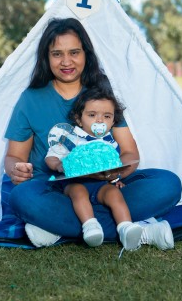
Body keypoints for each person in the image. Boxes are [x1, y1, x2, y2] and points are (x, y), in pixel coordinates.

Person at [4, 17, 180, 250]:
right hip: (55, 190)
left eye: (74, 52)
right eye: (57, 54)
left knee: (168, 184)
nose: (66, 61)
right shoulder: (31, 99)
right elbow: (14, 157)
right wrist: (16, 170)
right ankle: (135, 229)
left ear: (86, 54)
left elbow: (129, 152)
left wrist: (113, 173)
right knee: (21, 197)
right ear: (46, 58)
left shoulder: (101, 95)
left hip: (107, 187)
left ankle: (61, 228)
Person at [45, 86, 144, 250]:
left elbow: (112, 166)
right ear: (79, 119)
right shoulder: (71, 138)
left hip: (101, 185)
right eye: (92, 115)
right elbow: (51, 155)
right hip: (76, 183)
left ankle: (126, 228)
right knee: (78, 193)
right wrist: (58, 165)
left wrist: (116, 179)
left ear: (113, 122)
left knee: (115, 195)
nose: (99, 121)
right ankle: (90, 226)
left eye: (107, 116)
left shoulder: (110, 143)